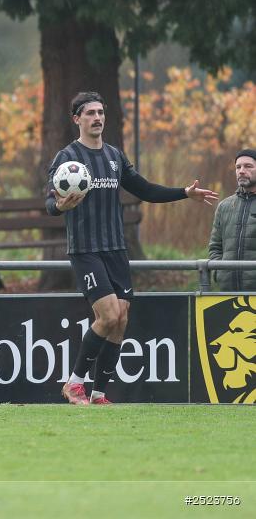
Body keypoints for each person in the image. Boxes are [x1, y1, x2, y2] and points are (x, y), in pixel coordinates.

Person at [46, 91, 218, 405]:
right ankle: (74, 384)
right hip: (86, 249)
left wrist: (184, 192)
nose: (97, 118)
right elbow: (49, 204)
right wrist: (59, 205)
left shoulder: (114, 156)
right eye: (90, 113)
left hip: (115, 248)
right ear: (77, 120)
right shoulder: (66, 158)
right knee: (108, 313)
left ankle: (98, 394)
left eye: (100, 112)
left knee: (121, 318)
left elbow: (144, 189)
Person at [208, 149, 256, 292]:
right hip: (228, 293)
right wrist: (219, 273)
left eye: (248, 166)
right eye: (238, 167)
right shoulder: (224, 206)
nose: (241, 171)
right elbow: (215, 247)